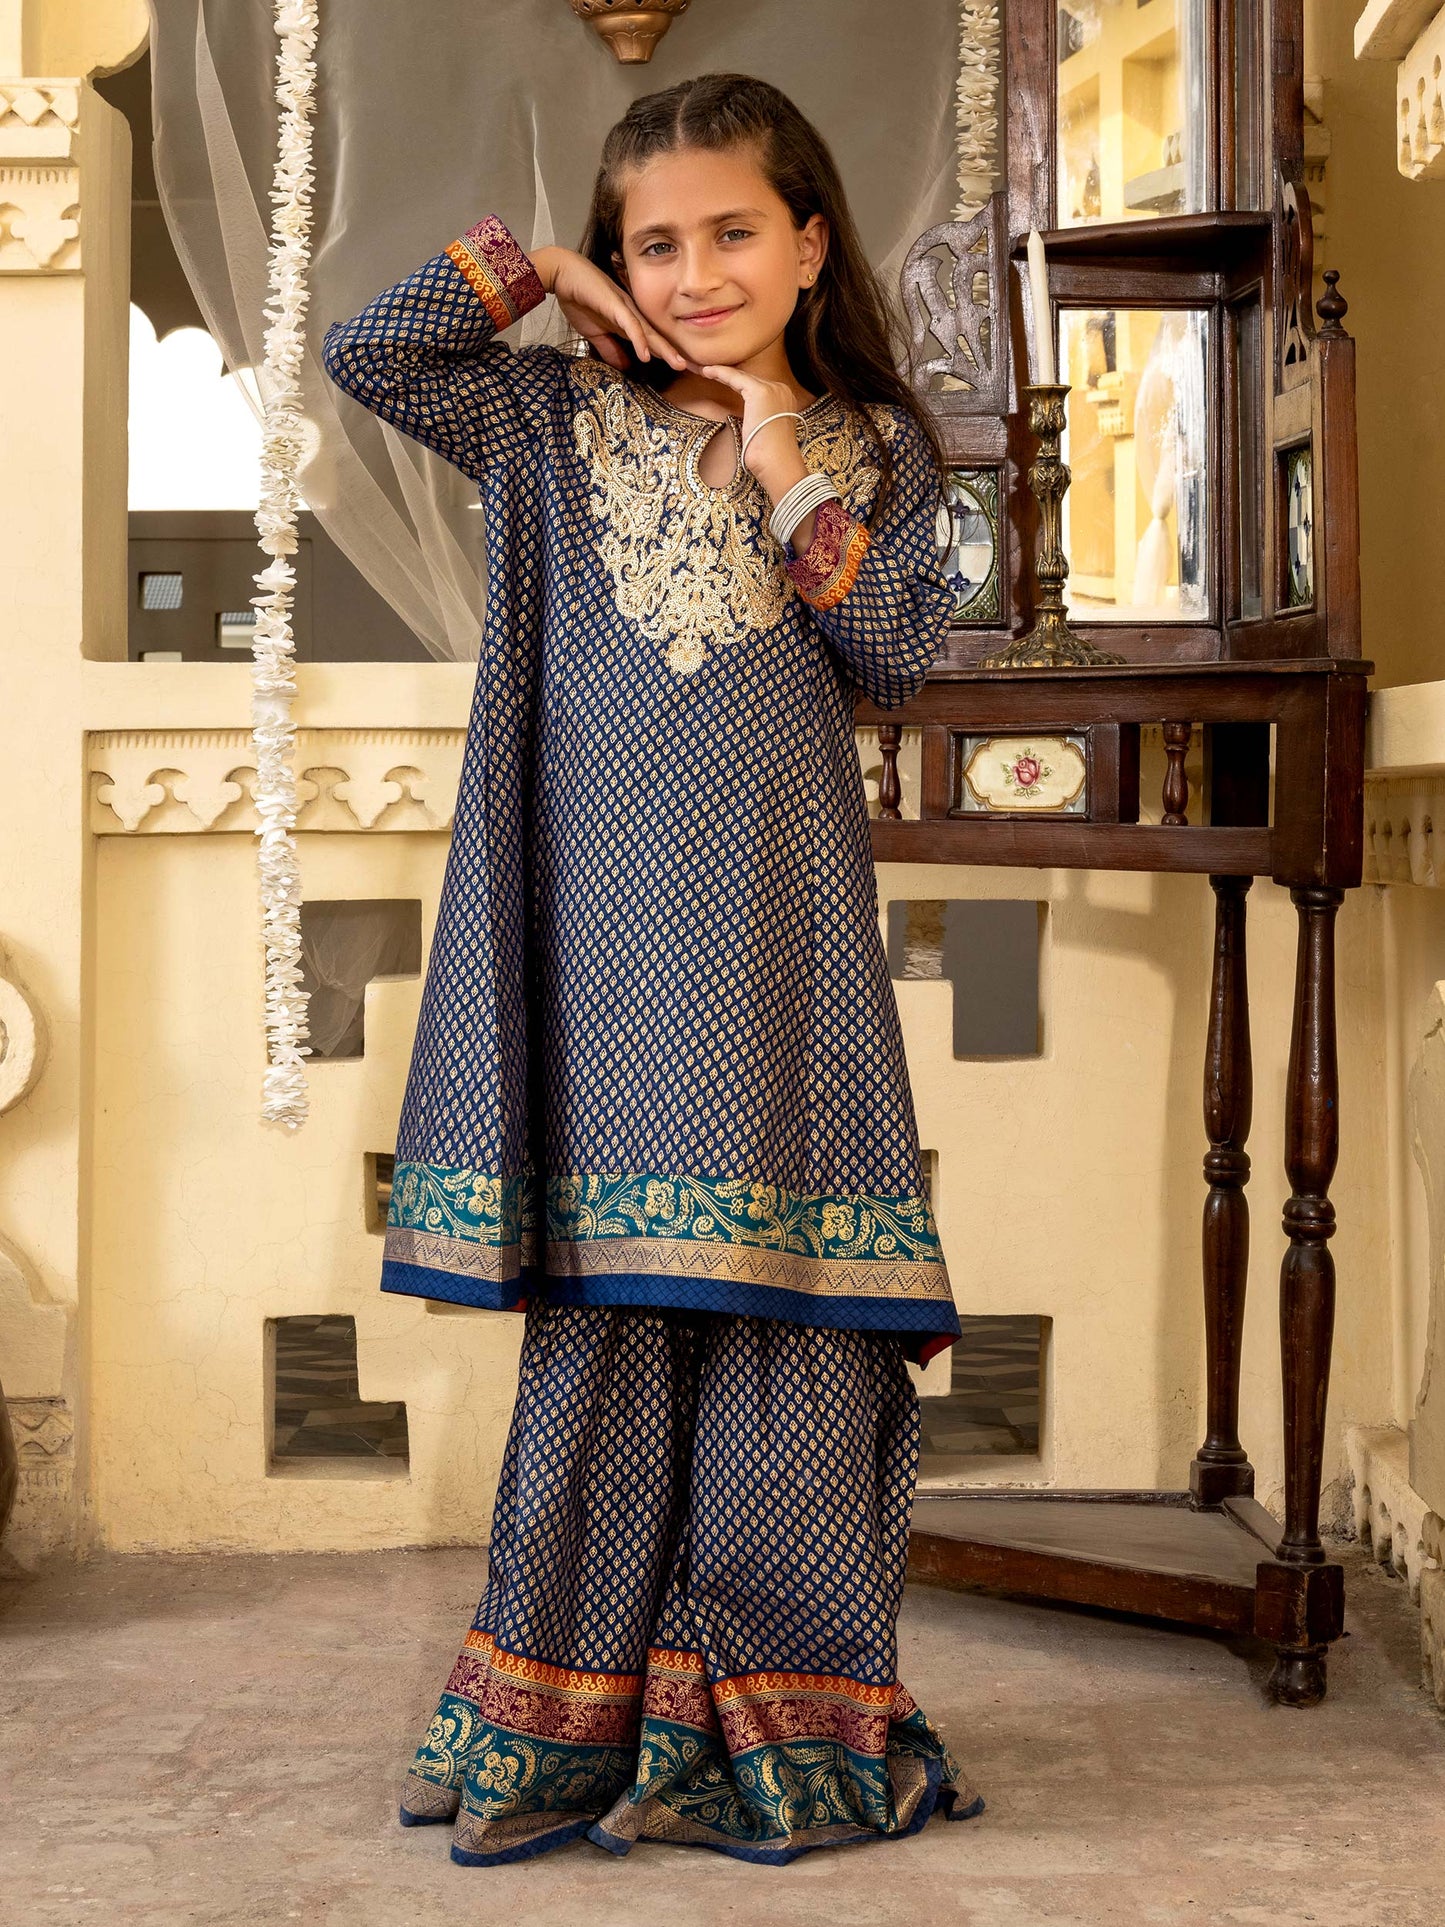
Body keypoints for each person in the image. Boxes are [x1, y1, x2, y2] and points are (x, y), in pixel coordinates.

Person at [321, 69, 982, 1866]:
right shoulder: (550, 420)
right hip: (595, 951)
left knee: (795, 1315)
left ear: (810, 242)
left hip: (781, 954)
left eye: (732, 233)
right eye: (653, 243)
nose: (695, 274)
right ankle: (557, 1734)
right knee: (609, 1321)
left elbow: (901, 652)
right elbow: (368, 353)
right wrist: (535, 270)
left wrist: (781, 460)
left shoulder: (875, 448)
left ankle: (776, 1731)